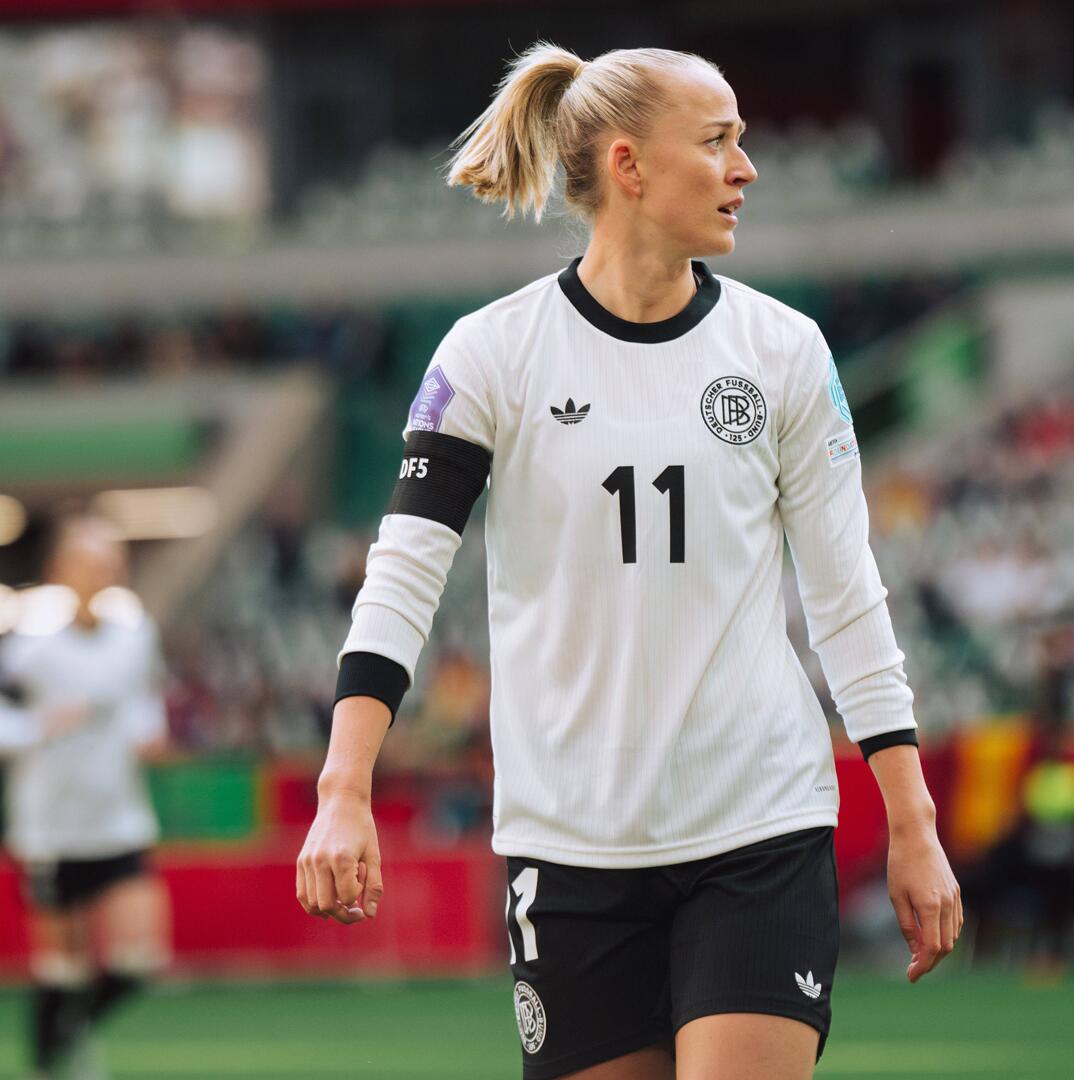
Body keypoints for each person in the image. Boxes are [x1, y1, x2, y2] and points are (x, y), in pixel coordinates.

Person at [294, 43, 962, 1080]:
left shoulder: (784, 351)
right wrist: (344, 786)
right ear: (628, 165)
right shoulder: (489, 354)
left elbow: (846, 597)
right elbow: (402, 577)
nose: (745, 167)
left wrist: (911, 819)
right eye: (718, 141)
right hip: (569, 849)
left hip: (758, 831)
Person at [0, 514, 173, 1080]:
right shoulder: (25, 643)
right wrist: (35, 728)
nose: (103, 573)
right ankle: (48, 1062)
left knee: (139, 958)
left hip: (119, 818)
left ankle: (70, 1035)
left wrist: (151, 732)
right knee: (63, 967)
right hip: (51, 825)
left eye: (111, 563)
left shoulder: (134, 634)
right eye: (91, 561)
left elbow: (141, 701)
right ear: (60, 568)